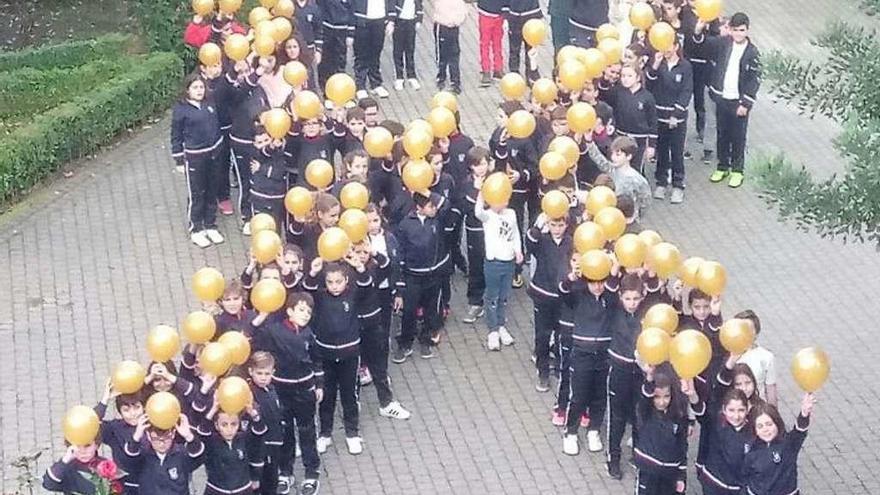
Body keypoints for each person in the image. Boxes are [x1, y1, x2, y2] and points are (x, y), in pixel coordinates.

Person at [251, 292, 322, 495]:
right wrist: (261, 316)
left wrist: (319, 384)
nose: (305, 314)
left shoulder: (310, 334)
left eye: (309, 311)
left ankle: (311, 472)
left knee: (307, 430)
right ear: (289, 311)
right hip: (282, 390)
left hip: (305, 390)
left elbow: (316, 360)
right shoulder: (274, 331)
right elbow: (254, 336)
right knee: (285, 431)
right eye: (301, 310)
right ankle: (285, 471)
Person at [304, 256, 371, 455]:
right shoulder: (320, 297)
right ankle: (325, 434)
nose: (334, 286)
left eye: (338, 282)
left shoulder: (353, 295)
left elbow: (367, 285)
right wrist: (313, 272)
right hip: (325, 356)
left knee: (350, 396)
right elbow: (306, 289)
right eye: (330, 282)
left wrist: (359, 266)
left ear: (346, 281)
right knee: (327, 397)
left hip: (350, 355)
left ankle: (352, 434)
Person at [695, 12, 760, 188]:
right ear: (729, 30)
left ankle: (738, 170)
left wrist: (746, 103)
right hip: (722, 99)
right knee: (722, 134)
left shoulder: (752, 52)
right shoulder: (723, 44)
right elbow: (704, 45)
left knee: (738, 137)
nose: (738, 34)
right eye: (735, 30)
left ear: (747, 30)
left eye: (742, 30)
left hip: (738, 103)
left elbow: (754, 79)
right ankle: (722, 166)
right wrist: (699, 30)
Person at [559, 256, 614, 456]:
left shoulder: (611, 298)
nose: (598, 287)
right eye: (594, 282)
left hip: (604, 355)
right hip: (582, 353)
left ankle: (594, 429)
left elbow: (618, 289)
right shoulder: (578, 295)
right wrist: (572, 277)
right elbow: (563, 291)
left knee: (600, 396)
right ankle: (571, 431)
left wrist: (614, 269)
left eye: (602, 282)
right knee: (579, 395)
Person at [392, 191, 451, 360]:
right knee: (409, 312)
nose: (434, 209)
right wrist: (400, 282)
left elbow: (446, 205)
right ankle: (405, 343)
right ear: (419, 207)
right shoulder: (405, 225)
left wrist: (430, 193)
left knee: (431, 310)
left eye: (434, 206)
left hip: (433, 275)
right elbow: (400, 252)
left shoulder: (437, 220)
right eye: (430, 206)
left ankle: (425, 340)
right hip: (413, 276)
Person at [171, 73, 225, 248]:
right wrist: (179, 160)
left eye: (201, 87)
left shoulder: (210, 104)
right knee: (197, 193)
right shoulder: (181, 110)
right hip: (195, 157)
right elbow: (176, 136)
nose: (199, 91)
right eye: (195, 87)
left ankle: (210, 224)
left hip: (214, 155)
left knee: (212, 190)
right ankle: (196, 228)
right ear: (187, 90)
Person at [605, 273, 647, 479]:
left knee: (639, 414)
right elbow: (609, 287)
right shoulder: (614, 309)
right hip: (619, 371)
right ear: (621, 296)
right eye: (628, 298)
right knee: (617, 417)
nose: (632, 303)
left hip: (640, 372)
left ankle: (638, 455)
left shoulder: (646, 316)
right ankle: (613, 457)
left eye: (636, 298)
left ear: (642, 297)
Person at [525, 212, 572, 391]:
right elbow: (529, 242)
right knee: (542, 336)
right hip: (543, 296)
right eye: (553, 225)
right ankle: (542, 372)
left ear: (566, 225)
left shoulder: (571, 243)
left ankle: (560, 367)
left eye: (561, 225)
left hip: (563, 298)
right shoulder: (542, 240)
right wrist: (539, 224)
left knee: (561, 335)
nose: (557, 229)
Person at [633, 365, 697, 494]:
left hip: (670, 472)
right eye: (657, 397)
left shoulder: (678, 416)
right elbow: (645, 395)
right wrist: (650, 378)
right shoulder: (646, 412)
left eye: (666, 396)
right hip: (648, 469)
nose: (662, 402)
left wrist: (681, 475)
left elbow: (682, 446)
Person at [474, 189, 523, 351]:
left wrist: (518, 250)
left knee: (503, 296)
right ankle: (493, 329)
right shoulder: (488, 216)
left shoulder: (511, 213)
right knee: (492, 296)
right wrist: (481, 194)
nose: (504, 202)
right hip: (493, 262)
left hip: (508, 261)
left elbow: (515, 233)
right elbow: (478, 212)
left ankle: (501, 325)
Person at [646, 36, 693, 204]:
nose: (665, 50)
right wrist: (655, 66)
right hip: (660, 115)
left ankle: (678, 184)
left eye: (668, 46)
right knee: (662, 150)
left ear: (676, 46)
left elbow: (687, 91)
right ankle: (661, 181)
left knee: (677, 151)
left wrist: (676, 114)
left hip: (676, 119)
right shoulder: (658, 64)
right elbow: (649, 85)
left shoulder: (685, 66)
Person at [741, 394, 816, 495]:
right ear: (755, 430)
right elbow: (745, 475)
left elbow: (799, 431)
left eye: (769, 424)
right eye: (760, 426)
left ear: (777, 423)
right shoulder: (750, 448)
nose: (765, 429)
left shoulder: (788, 444)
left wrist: (804, 414)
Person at [197, 396, 265, 495]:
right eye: (224, 425)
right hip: (217, 490)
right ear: (216, 425)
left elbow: (259, 432)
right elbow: (203, 432)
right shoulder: (212, 441)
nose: (229, 429)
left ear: (239, 424)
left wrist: (253, 414)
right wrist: (213, 409)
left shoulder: (243, 438)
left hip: (243, 490)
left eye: (233, 424)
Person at [122, 414, 205, 495]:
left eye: (166, 438)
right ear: (148, 435)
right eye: (156, 439)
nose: (161, 444)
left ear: (173, 433)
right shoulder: (143, 455)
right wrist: (136, 436)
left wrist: (189, 436)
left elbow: (198, 459)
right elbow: (129, 460)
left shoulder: (181, 453)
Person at [693, 388, 753, 495]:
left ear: (748, 409)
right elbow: (700, 412)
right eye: (731, 410)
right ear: (724, 409)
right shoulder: (716, 422)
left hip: (738, 489)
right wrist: (692, 394)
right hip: (713, 483)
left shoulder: (753, 431)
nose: (736, 416)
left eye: (741, 410)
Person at [605, 63, 658, 176]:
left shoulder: (647, 97)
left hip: (639, 140)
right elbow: (605, 100)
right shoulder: (617, 92)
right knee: (619, 168)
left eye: (629, 76)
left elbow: (653, 122)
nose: (625, 79)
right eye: (623, 76)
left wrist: (651, 146)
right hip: (620, 137)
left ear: (638, 77)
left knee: (636, 170)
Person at [584, 134, 652, 218]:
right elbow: (600, 160)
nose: (613, 157)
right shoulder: (612, 169)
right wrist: (589, 142)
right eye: (612, 153)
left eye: (618, 154)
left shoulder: (637, 180)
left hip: (627, 219)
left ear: (629, 156)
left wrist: (636, 215)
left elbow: (645, 201)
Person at [94, 381, 143, 493]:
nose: (133, 414)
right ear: (120, 412)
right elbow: (90, 424)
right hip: (125, 487)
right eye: (126, 410)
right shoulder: (115, 428)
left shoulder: (154, 427)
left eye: (137, 407)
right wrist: (104, 400)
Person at [247, 352, 284, 495]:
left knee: (272, 483)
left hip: (273, 447)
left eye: (267, 374)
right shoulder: (249, 395)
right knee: (262, 487)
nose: (263, 377)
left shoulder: (271, 389)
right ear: (251, 371)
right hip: (262, 449)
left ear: (273, 372)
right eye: (259, 373)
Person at [352, 0, 394, 99]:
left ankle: (375, 83)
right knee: (361, 54)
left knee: (376, 53)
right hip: (362, 19)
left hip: (380, 19)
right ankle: (360, 85)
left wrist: (391, 20)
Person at [735, 309, 778, 406]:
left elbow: (771, 390)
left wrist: (773, 414)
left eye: (749, 329)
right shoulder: (728, 355)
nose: (745, 333)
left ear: (756, 333)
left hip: (757, 409)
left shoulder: (766, 357)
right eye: (741, 329)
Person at [43, 438, 114, 495]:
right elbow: (48, 484)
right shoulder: (67, 468)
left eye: (87, 445)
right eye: (77, 446)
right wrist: (65, 460)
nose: (83, 451)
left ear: (96, 445)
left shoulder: (106, 466)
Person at [433, 0, 467, 93]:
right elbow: (439, 10)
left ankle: (455, 81)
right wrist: (448, 21)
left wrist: (456, 22)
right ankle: (441, 77)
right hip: (442, 26)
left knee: (454, 55)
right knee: (442, 54)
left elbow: (463, 12)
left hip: (454, 28)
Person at [316, 0, 352, 89]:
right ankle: (324, 87)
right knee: (325, 60)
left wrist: (351, 33)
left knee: (340, 60)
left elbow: (352, 9)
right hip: (326, 27)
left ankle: (340, 87)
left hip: (342, 28)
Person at [505, 0, 542, 80]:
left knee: (531, 47)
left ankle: (531, 71)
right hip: (514, 14)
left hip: (531, 12)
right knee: (514, 46)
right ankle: (514, 73)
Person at [392, 0, 423, 90]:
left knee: (410, 50)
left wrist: (419, 19)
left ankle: (411, 76)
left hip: (411, 22)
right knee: (398, 50)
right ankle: (399, 77)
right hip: (399, 21)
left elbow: (419, 4)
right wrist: (392, 20)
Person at [477, 0, 506, 87]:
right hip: (486, 12)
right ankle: (486, 70)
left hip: (500, 13)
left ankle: (498, 68)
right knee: (485, 44)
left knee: (498, 43)